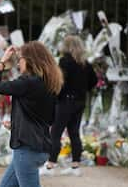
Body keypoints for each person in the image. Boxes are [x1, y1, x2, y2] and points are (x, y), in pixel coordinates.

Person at [0, 41, 63, 187]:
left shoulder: (28, 82)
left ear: (29, 61)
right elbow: (49, 118)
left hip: (27, 150)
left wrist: (2, 61)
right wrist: (16, 125)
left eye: (20, 59)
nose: (17, 64)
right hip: (41, 148)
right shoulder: (49, 83)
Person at [41, 35, 97, 176]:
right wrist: (84, 89)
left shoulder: (65, 61)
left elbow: (60, 82)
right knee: (74, 133)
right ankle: (75, 166)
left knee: (55, 133)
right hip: (80, 102)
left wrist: (56, 96)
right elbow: (94, 81)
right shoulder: (86, 63)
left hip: (66, 101)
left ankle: (50, 166)